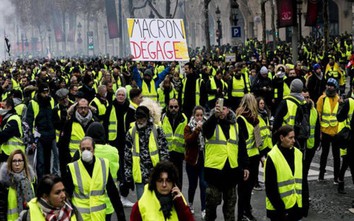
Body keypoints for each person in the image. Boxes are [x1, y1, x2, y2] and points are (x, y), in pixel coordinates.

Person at [202, 99, 249, 221]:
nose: (221, 110)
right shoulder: (211, 122)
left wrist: (245, 166)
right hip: (214, 172)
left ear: (228, 110)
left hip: (231, 172)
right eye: (218, 107)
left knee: (230, 208)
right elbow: (205, 131)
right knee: (212, 205)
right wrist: (214, 117)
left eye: (223, 108)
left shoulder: (235, 125)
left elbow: (242, 147)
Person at [65, 137, 126, 221]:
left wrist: (121, 216)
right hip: (80, 217)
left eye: (88, 149)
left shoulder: (103, 165)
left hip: (99, 217)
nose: (86, 151)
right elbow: (67, 195)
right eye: (83, 149)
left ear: (93, 150)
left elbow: (113, 192)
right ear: (80, 150)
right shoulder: (72, 168)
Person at [124, 105, 170, 199]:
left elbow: (164, 151)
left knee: (157, 203)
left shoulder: (156, 130)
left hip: (155, 174)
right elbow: (127, 156)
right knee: (142, 205)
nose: (140, 120)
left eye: (142, 117)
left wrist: (164, 170)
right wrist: (128, 176)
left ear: (147, 117)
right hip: (139, 175)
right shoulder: (131, 132)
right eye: (138, 118)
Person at [265, 125, 309, 221]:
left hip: (295, 206)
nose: (293, 140)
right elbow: (270, 188)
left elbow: (303, 182)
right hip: (279, 210)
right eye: (290, 138)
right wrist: (281, 210)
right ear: (281, 138)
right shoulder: (272, 156)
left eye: (294, 137)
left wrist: (305, 204)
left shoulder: (298, 154)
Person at [130, 161, 195, 221]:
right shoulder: (140, 206)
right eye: (160, 181)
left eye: (168, 180)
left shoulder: (180, 201)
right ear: (154, 182)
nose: (164, 185)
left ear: (173, 183)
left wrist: (180, 205)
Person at [105, 87, 135, 207]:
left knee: (125, 169)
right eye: (119, 95)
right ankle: (115, 195)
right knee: (114, 169)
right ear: (116, 96)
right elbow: (106, 123)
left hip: (126, 142)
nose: (121, 96)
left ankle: (124, 196)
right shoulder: (110, 107)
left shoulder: (130, 109)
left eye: (123, 95)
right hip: (113, 142)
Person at [236, 94, 261, 221]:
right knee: (244, 189)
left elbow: (257, 141)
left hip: (251, 157)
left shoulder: (248, 119)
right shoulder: (250, 119)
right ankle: (242, 214)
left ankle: (245, 211)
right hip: (249, 158)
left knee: (247, 188)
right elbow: (257, 141)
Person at [26, 83, 56, 180]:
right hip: (39, 137)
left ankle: (48, 181)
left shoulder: (51, 101)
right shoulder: (33, 104)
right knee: (40, 163)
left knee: (48, 161)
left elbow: (54, 118)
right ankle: (41, 182)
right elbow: (29, 123)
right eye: (44, 92)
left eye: (47, 92)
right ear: (39, 93)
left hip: (50, 135)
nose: (46, 94)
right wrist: (31, 140)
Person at [57, 98, 95, 176]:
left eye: (85, 108)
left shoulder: (93, 123)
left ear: (88, 108)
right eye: (81, 108)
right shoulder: (69, 123)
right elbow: (62, 145)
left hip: (89, 159)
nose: (83, 110)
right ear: (77, 108)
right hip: (72, 159)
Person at [184, 105, 207, 219]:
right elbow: (189, 140)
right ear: (194, 116)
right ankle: (191, 203)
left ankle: (204, 208)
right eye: (197, 115)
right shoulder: (188, 127)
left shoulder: (206, 125)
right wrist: (197, 129)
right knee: (192, 185)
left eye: (201, 115)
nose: (199, 118)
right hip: (192, 160)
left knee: (203, 184)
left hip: (203, 159)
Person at [316, 78, 341, 183]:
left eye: (331, 86)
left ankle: (336, 177)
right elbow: (318, 116)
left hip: (336, 131)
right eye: (328, 85)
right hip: (325, 130)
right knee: (324, 155)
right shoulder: (322, 99)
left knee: (336, 156)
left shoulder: (338, 99)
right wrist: (320, 132)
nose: (329, 87)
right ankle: (321, 176)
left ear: (335, 88)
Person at [0, 149, 36, 221]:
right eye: (14, 161)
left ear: (24, 162)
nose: (17, 164)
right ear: (10, 163)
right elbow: (1, 210)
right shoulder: (4, 183)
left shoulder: (32, 180)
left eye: (19, 160)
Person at [161, 99, 188, 189]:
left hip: (179, 152)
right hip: (167, 152)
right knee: (167, 177)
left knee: (178, 178)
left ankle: (178, 197)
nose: (173, 109)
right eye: (171, 107)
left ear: (179, 107)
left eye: (175, 107)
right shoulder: (163, 118)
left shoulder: (184, 118)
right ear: (168, 107)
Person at [0, 97, 25, 162]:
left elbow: (4, 135)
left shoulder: (13, 119)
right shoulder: (6, 118)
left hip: (14, 153)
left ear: (10, 107)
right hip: (8, 153)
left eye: (3, 107)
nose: (1, 109)